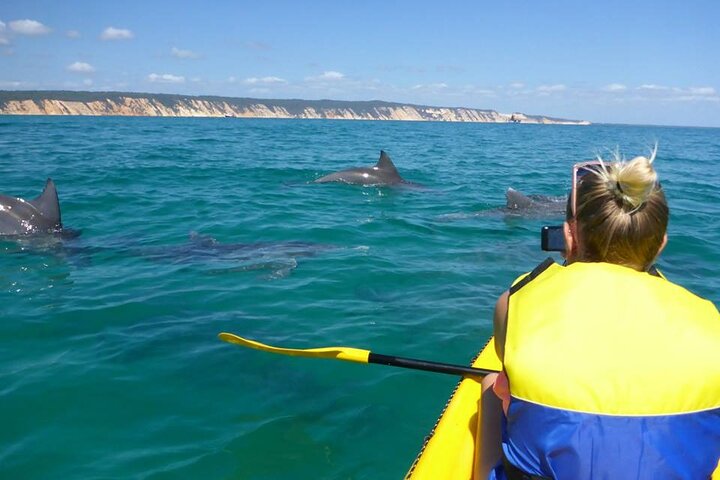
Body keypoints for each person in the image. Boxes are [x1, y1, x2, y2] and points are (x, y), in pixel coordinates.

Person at [477, 148, 720, 479]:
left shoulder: (516, 300)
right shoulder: (709, 320)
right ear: (661, 243)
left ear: (568, 235)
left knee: (493, 384)